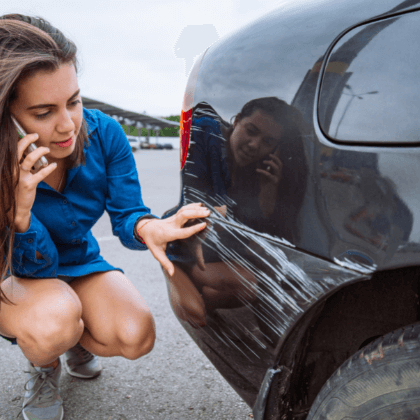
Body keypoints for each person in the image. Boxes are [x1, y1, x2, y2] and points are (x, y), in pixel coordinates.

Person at [0, 14, 210, 420]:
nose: (68, 125)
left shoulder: (104, 133)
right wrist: (18, 214)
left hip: (77, 263)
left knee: (136, 335)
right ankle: (44, 360)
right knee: (54, 320)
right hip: (16, 274)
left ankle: (70, 333)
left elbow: (127, 213)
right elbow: (23, 261)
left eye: (74, 101)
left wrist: (149, 227)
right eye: (44, 112)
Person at [167, 98, 308, 327]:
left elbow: (258, 233)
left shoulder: (256, 172)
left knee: (263, 274)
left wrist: (268, 195)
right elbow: (207, 212)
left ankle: (204, 292)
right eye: (251, 131)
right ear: (238, 120)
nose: (254, 145)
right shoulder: (208, 142)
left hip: (217, 249)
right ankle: (173, 268)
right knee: (237, 289)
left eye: (267, 141)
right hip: (188, 247)